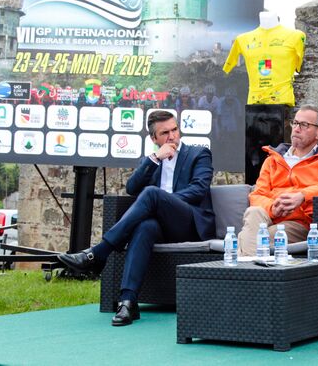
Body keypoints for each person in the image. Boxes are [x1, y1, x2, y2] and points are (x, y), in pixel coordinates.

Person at [57, 110, 214, 326]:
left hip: (190, 223)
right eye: (165, 133)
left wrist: (162, 201)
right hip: (161, 227)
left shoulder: (198, 154)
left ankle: (99, 253)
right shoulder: (152, 161)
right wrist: (155, 159)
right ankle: (128, 302)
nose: (172, 136)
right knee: (145, 227)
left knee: (151, 194)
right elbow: (131, 188)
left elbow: (199, 189)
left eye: (175, 130)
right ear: (154, 139)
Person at [237, 104, 318, 254]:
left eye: (304, 125)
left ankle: (247, 273)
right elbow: (258, 195)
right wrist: (273, 207)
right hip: (269, 217)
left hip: (298, 223)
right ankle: (253, 272)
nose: (297, 128)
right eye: (296, 123)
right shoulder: (273, 160)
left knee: (252, 237)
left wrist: (302, 196)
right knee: (253, 212)